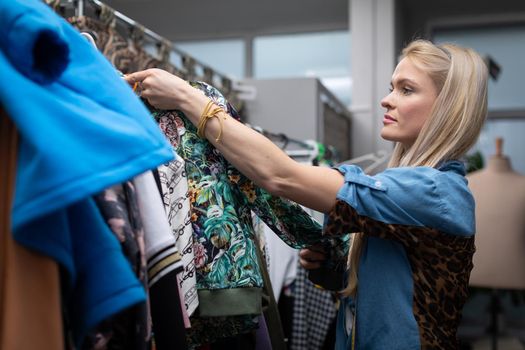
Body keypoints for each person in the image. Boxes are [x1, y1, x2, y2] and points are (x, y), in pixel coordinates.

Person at [125, 39, 488, 349]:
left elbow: (281, 175)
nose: (386, 100)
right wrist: (333, 269)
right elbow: (391, 289)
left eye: (406, 90)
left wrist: (190, 99)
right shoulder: (410, 186)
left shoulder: (434, 192)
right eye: (392, 86)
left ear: (447, 108)